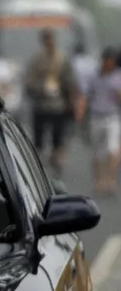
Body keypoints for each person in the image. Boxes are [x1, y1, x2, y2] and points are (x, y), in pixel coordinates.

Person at [23, 28, 83, 174]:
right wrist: (41, 88)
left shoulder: (62, 59)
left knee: (58, 135)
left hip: (58, 104)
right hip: (41, 104)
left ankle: (56, 162)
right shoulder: (37, 60)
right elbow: (29, 82)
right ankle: (38, 164)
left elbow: (70, 81)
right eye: (46, 40)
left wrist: (72, 98)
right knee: (39, 136)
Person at [84, 48, 121, 195]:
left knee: (112, 149)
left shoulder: (118, 77)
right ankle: (99, 181)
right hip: (96, 116)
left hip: (111, 116)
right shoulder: (94, 76)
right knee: (98, 152)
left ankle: (110, 180)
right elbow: (87, 95)